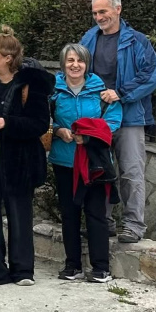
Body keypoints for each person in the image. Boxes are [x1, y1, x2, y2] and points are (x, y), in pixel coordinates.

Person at [0, 26, 54, 287]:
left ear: (8, 58)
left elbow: (39, 123)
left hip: (20, 160)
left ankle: (23, 270)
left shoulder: (31, 84)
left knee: (20, 215)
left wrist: (7, 122)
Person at [81, 0, 156, 244]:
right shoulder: (88, 38)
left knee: (131, 172)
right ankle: (103, 222)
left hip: (130, 117)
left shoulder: (137, 41)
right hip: (99, 118)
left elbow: (151, 75)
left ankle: (133, 225)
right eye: (95, 13)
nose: (98, 17)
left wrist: (121, 93)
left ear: (118, 9)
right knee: (100, 171)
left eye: (103, 11)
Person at [50, 43, 122, 283]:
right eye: (70, 60)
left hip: (94, 163)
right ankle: (73, 266)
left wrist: (88, 137)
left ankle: (101, 267)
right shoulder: (54, 92)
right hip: (64, 160)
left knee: (95, 213)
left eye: (80, 60)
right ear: (63, 64)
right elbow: (45, 119)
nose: (75, 65)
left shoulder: (101, 92)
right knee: (69, 213)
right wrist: (58, 130)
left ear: (87, 64)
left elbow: (113, 121)